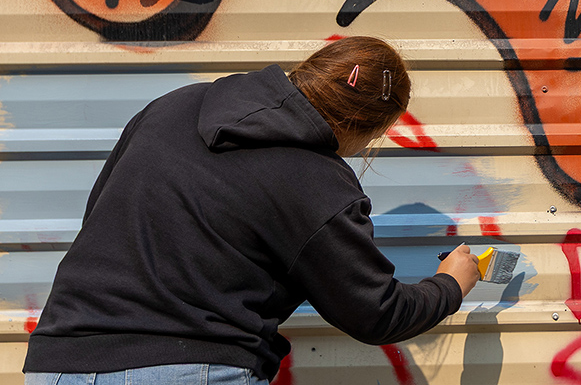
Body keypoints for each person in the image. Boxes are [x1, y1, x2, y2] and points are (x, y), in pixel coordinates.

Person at [23, 36, 480, 385]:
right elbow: (377, 312)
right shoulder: (317, 182)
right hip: (191, 367)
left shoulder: (175, 104)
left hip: (58, 363)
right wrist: (453, 282)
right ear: (367, 128)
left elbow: (99, 214)